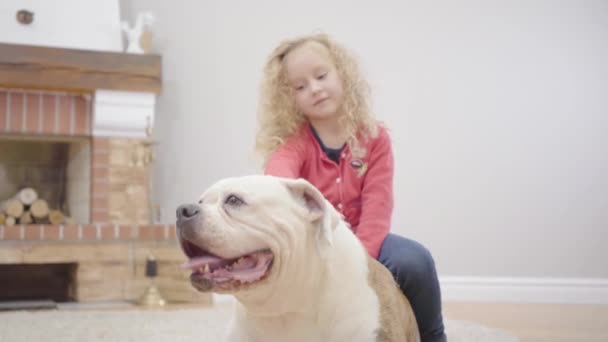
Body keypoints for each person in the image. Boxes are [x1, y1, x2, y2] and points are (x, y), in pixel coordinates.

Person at [255, 33, 446, 342]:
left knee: (415, 261)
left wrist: (359, 259)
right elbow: (279, 177)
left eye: (321, 76)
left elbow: (377, 206)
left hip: (369, 241)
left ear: (341, 74)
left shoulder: (375, 138)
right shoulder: (295, 145)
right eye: (300, 86)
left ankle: (434, 336)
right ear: (290, 99)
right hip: (317, 247)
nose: (314, 89)